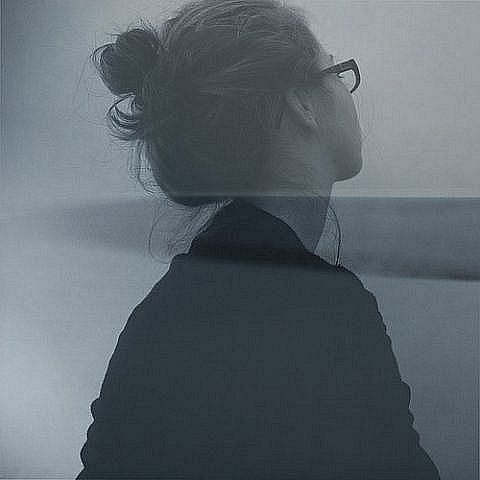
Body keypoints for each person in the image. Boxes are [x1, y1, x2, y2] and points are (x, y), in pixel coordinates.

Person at [76, 0, 442, 478]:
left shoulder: (163, 309)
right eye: (335, 71)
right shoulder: (324, 307)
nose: (347, 91)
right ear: (302, 103)